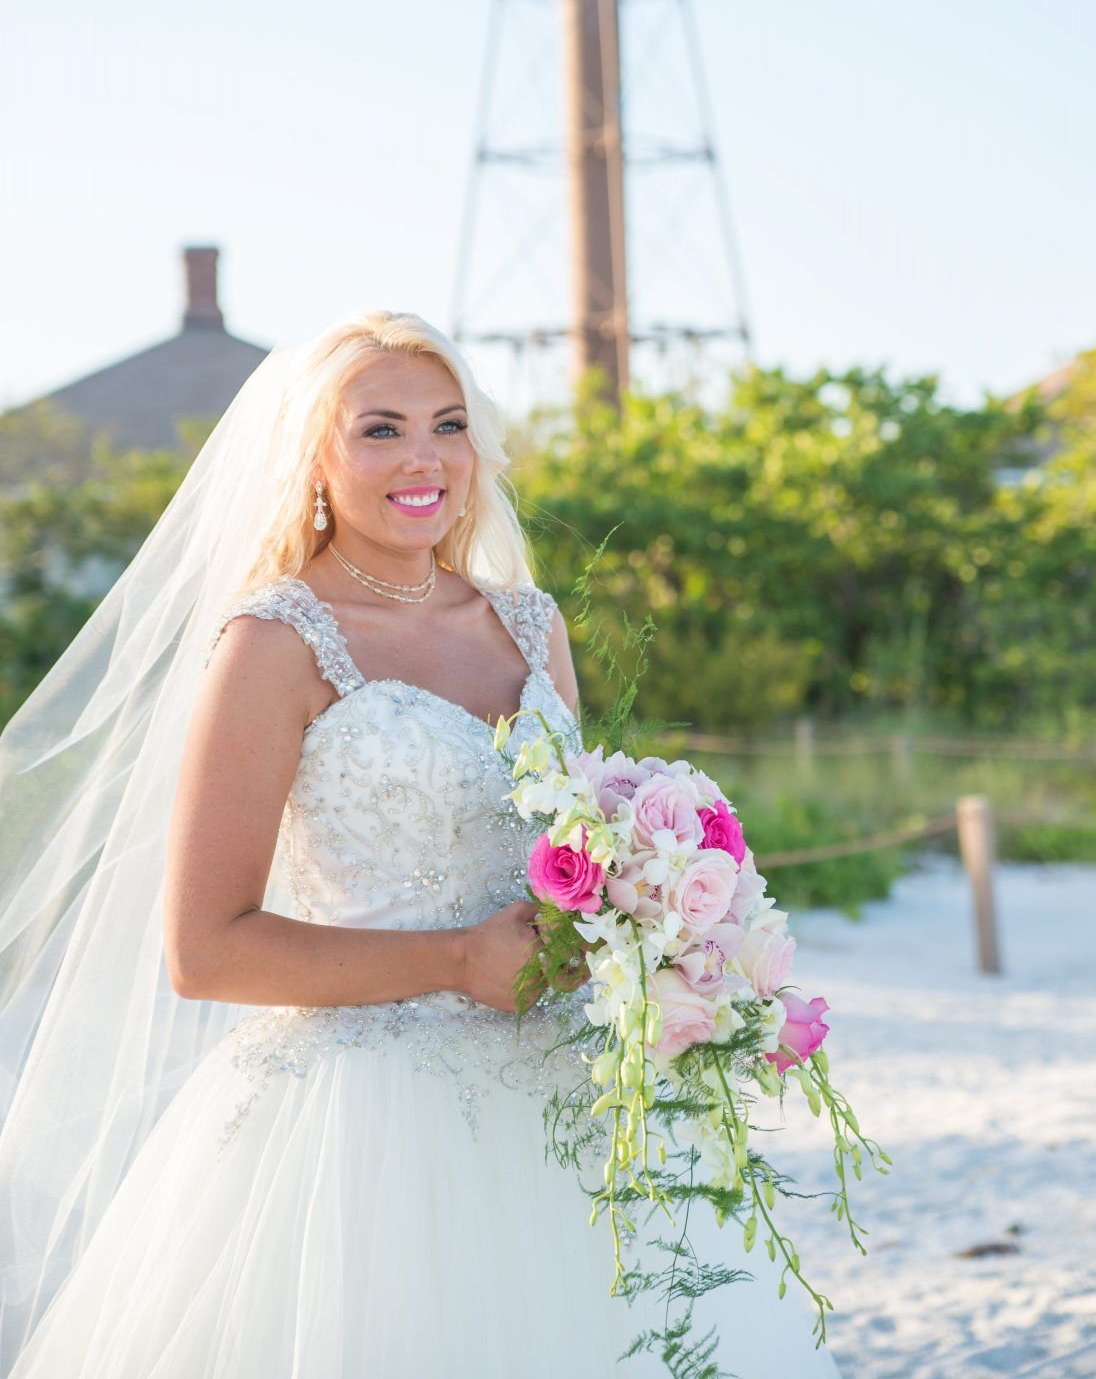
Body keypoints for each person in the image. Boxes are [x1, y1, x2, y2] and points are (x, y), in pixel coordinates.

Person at [0, 309, 842, 1377]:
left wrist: (647, 922)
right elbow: (205, 950)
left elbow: (566, 852)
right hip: (360, 1125)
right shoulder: (273, 643)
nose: (424, 459)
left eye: (446, 425)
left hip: (566, 1090)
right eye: (380, 430)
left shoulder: (531, 626)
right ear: (313, 456)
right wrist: (452, 960)